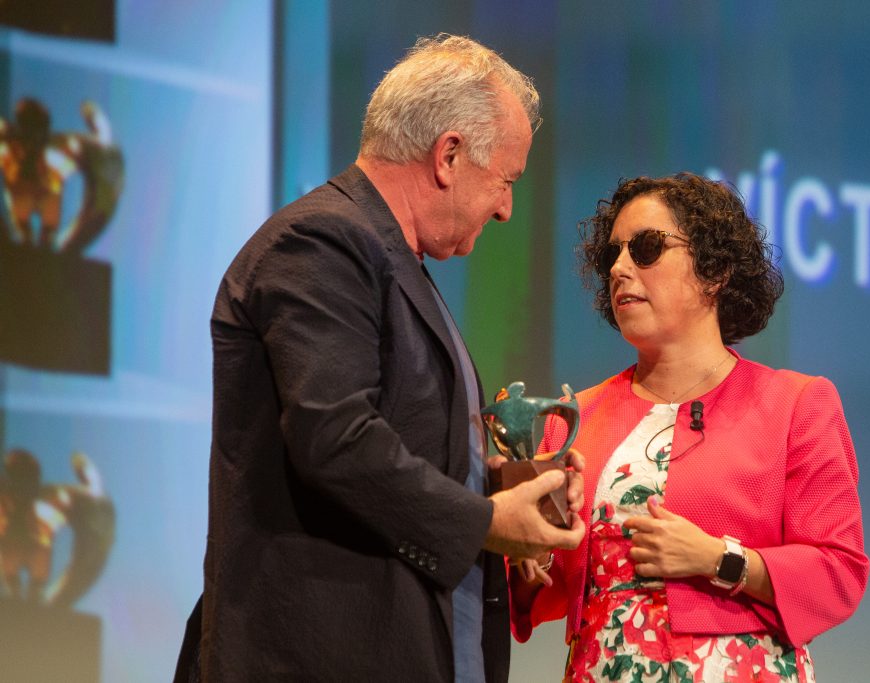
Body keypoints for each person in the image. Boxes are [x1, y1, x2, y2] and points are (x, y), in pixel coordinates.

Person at [180, 35, 585, 682]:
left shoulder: (393, 260)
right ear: (449, 155)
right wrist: (486, 520)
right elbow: (336, 438)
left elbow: (395, 438)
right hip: (317, 654)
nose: (507, 208)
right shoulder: (321, 242)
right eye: (505, 180)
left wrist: (501, 483)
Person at [510, 173, 869, 682]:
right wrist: (532, 561)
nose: (619, 268)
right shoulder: (572, 420)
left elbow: (838, 574)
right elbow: (538, 593)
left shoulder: (796, 405)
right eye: (612, 254)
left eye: (647, 248)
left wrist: (717, 558)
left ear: (715, 269)